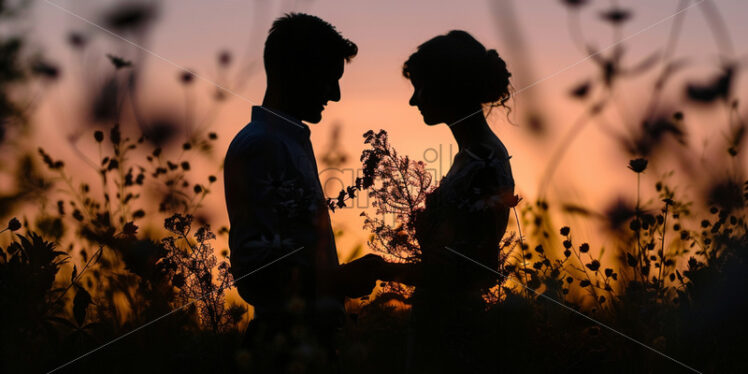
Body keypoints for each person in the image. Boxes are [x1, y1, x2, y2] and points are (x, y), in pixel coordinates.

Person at [223, 13, 384, 372]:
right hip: (283, 349)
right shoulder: (262, 145)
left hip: (308, 343)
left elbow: (291, 253)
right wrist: (340, 279)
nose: (337, 95)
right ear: (298, 71)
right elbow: (253, 272)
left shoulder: (287, 141)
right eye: (330, 80)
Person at [382, 30, 516, 372]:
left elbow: (473, 270)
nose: (414, 100)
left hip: (454, 337)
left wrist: (381, 269)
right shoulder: (471, 157)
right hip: (443, 326)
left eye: (421, 86)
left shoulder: (484, 162)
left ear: (449, 85)